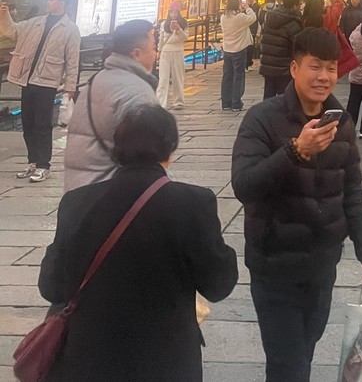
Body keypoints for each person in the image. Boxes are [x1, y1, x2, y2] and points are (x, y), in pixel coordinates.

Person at [40, 105, 237, 381]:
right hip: (165, 363)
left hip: (88, 362)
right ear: (169, 148)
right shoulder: (192, 203)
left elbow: (51, 286)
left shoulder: (76, 202)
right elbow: (218, 284)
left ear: (117, 149)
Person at [232, 28, 362, 382]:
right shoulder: (262, 119)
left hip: (321, 265)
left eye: (331, 68)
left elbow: (353, 189)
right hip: (275, 266)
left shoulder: (340, 121)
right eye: (315, 66)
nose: (324, 76)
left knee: (305, 351)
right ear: (294, 68)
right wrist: (296, 151)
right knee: (289, 366)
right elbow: (244, 186)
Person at [64, 19, 158, 192]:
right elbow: (146, 157)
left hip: (79, 189)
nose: (155, 54)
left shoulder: (96, 80)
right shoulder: (137, 92)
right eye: (153, 48)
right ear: (136, 53)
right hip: (110, 192)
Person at [0, 0, 80, 184]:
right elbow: (12, 31)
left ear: (62, 2)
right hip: (27, 79)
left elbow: (73, 60)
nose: (48, 2)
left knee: (42, 125)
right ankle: (33, 162)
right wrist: (4, 15)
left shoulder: (70, 29)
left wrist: (70, 87)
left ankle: (44, 165)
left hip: (47, 81)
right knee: (28, 124)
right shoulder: (36, 22)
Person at [260, 0, 304, 98]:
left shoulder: (270, 16)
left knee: (268, 97)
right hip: (284, 67)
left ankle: (267, 110)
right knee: (284, 98)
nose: (300, 6)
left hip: (268, 65)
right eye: (299, 4)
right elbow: (296, 46)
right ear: (294, 6)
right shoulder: (293, 22)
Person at [220, 0, 257, 112]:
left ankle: (226, 102)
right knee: (238, 76)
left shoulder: (223, 17)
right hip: (239, 50)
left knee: (227, 76)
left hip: (227, 49)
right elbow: (253, 18)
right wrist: (247, 8)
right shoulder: (240, 17)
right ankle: (236, 103)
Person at [156, 0, 188, 110]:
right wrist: (159, 51)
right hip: (166, 51)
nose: (173, 14)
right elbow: (161, 39)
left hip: (178, 50)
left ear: (179, 13)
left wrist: (179, 29)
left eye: (175, 12)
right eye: (171, 12)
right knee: (163, 79)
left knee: (178, 77)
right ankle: (161, 103)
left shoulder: (184, 23)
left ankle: (178, 101)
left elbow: (185, 37)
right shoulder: (164, 24)